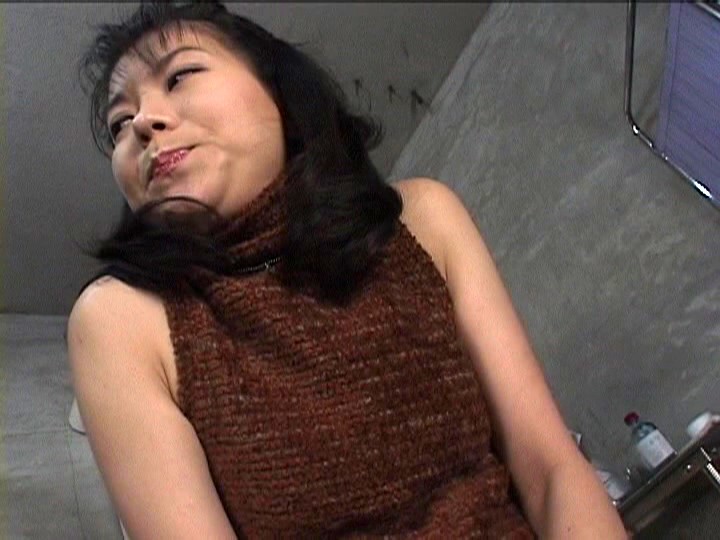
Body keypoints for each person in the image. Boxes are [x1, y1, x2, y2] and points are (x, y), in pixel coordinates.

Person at [66, 2, 627, 538]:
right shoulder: (124, 320)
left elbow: (552, 471)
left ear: (281, 94)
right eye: (119, 123)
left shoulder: (423, 222)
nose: (142, 123)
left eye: (180, 76)